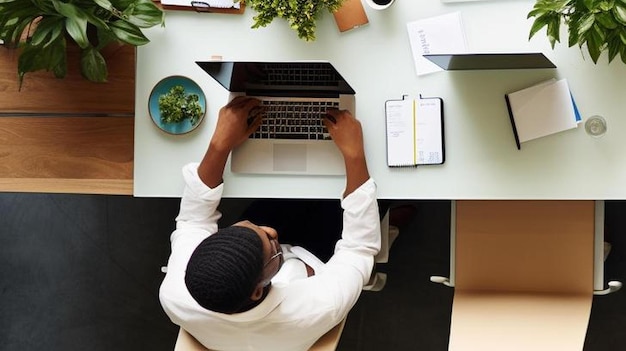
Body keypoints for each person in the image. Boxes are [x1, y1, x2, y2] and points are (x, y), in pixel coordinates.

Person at [159, 96, 381, 351]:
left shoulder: (176, 294)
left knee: (291, 184)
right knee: (371, 196)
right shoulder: (317, 307)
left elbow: (193, 222)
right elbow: (359, 248)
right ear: (257, 291)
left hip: (272, 270)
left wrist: (220, 145)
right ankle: (394, 221)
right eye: (268, 240)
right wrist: (354, 156)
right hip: (322, 258)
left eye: (247, 229)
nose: (271, 230)